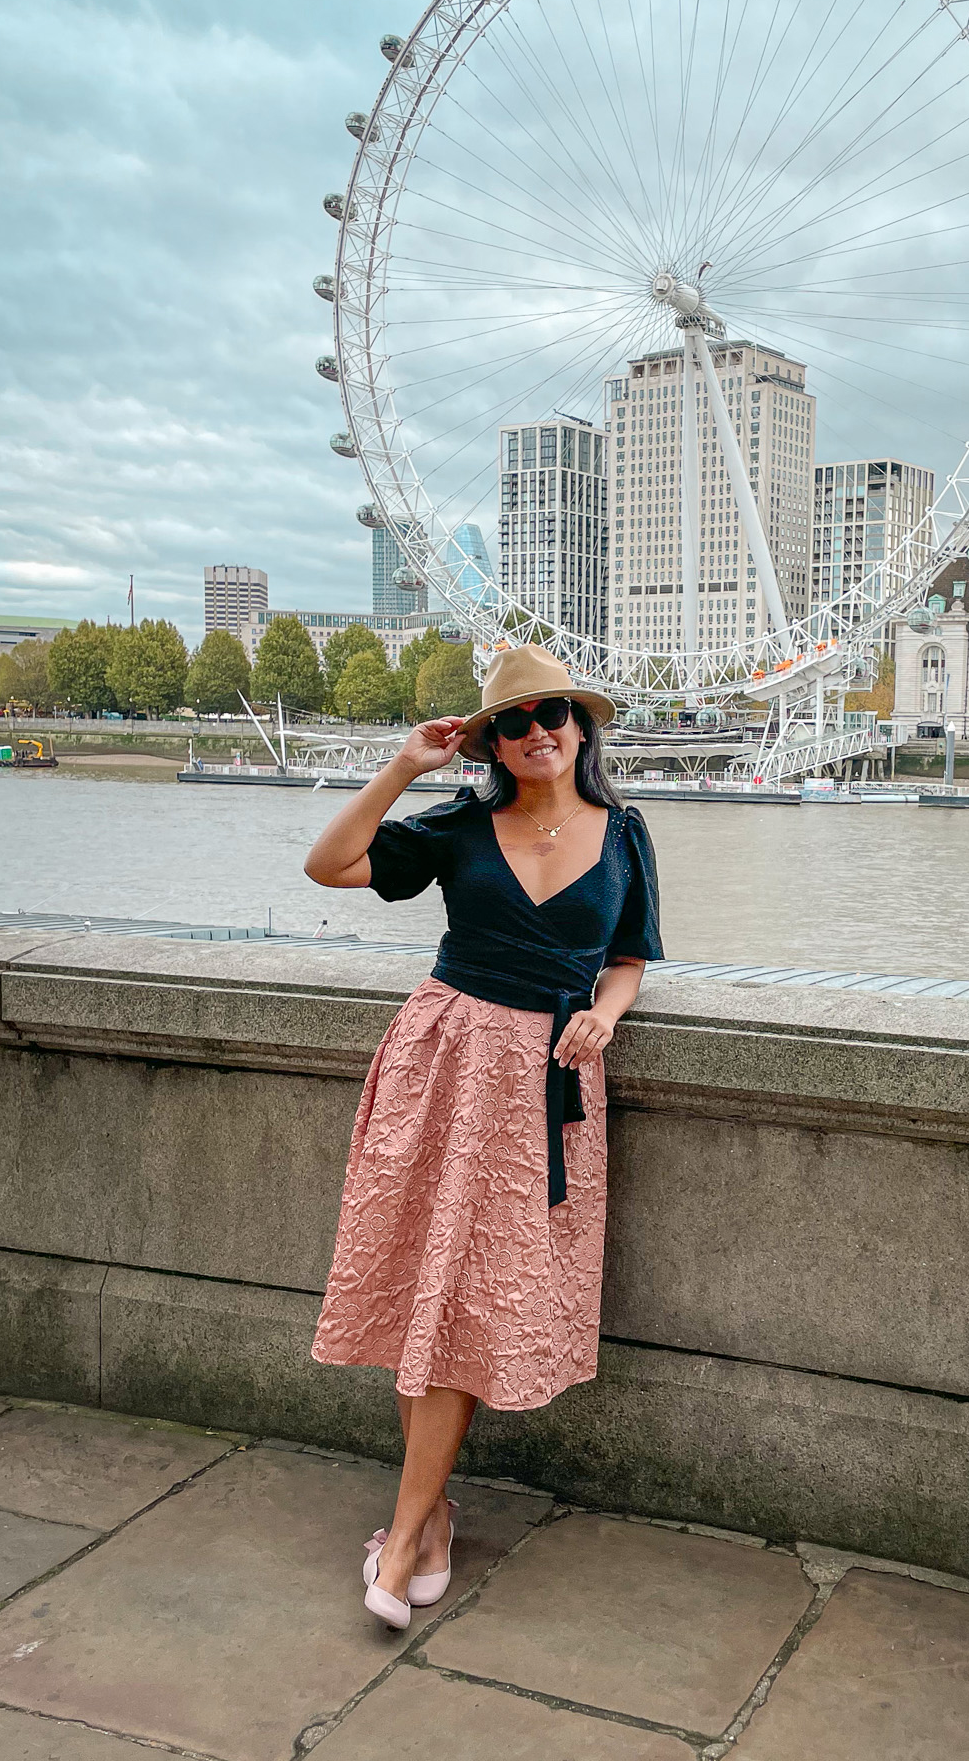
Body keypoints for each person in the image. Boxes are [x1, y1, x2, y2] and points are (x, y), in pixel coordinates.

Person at [303, 644, 662, 1629]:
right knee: (430, 1288)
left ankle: (413, 1528)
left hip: (544, 1082)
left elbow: (628, 955)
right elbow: (328, 863)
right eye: (512, 720)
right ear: (490, 740)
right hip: (442, 1060)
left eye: (552, 711)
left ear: (581, 725)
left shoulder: (625, 833)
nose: (535, 730)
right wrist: (405, 765)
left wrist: (608, 1012)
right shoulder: (460, 823)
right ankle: (419, 1524)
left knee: (469, 1300)